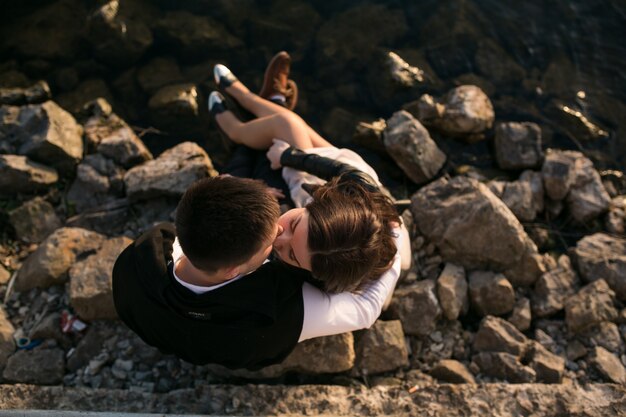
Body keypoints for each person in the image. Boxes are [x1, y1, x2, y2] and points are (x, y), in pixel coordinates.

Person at [112, 53, 410, 370]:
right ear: (236, 271)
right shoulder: (281, 310)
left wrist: (235, 193)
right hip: (246, 341)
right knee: (281, 143)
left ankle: (254, 111)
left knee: (273, 149)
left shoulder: (140, 258)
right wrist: (394, 234)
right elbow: (366, 309)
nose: (278, 235)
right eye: (271, 245)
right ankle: (262, 105)